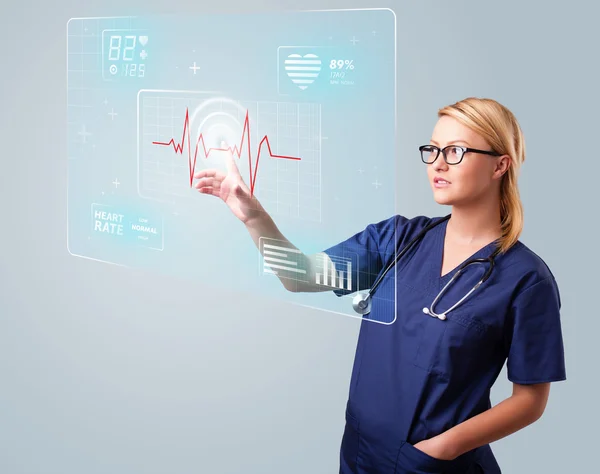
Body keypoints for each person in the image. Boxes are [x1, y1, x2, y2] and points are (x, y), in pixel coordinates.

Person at [193, 97, 566, 473]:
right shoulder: (398, 238)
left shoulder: (525, 279)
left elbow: (530, 400)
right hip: (360, 454)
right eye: (433, 150)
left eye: (455, 151)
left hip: (435, 466)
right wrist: (251, 214)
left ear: (500, 165)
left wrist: (444, 448)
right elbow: (299, 276)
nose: (437, 163)